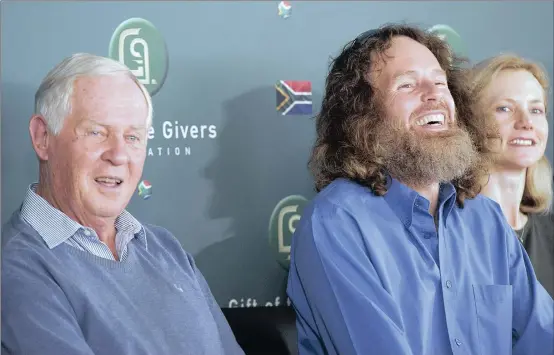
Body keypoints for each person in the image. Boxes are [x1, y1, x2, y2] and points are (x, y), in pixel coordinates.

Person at [286, 24, 554, 355]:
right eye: (408, 85)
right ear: (364, 115)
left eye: (440, 82)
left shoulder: (485, 218)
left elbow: (540, 335)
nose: (435, 95)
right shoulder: (335, 222)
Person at [1, 53, 244, 355]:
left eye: (133, 137)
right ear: (42, 138)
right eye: (96, 132)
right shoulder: (15, 269)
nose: (118, 155)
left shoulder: (166, 248)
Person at [469, 54, 554, 298]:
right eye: (504, 108)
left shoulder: (550, 232)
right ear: (471, 122)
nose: (526, 122)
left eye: (536, 110)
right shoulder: (448, 233)